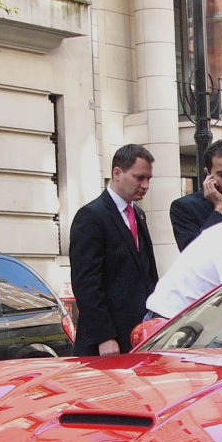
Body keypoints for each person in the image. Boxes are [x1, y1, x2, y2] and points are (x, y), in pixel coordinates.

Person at [69, 144, 159, 356]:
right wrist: (104, 337)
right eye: (139, 177)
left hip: (141, 335)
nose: (145, 185)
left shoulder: (138, 215)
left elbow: (147, 274)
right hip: (108, 341)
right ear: (117, 173)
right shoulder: (91, 216)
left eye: (149, 179)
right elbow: (86, 284)